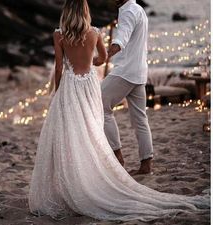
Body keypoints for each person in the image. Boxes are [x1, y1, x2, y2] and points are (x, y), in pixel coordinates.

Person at [28, 0, 209, 222]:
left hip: (83, 83)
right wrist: (92, 60)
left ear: (66, 12)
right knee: (103, 125)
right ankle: (144, 161)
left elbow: (59, 67)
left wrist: (57, 90)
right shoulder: (96, 32)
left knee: (74, 129)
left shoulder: (59, 35)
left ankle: (109, 159)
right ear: (85, 11)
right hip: (104, 80)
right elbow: (103, 58)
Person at [102, 0, 153, 174]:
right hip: (139, 72)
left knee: (100, 106)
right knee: (140, 119)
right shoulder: (138, 9)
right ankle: (146, 163)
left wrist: (105, 55)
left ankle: (117, 157)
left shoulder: (128, 11)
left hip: (125, 72)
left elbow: (121, 38)